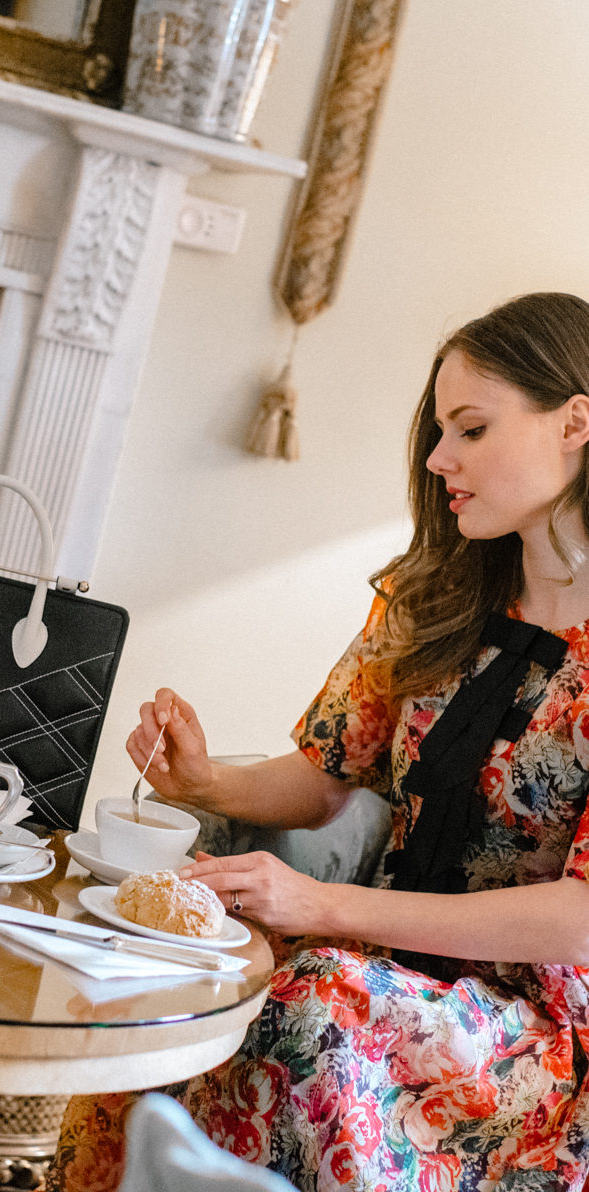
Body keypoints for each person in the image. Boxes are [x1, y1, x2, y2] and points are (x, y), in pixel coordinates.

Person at [46, 292, 589, 1192]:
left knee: (311, 1009)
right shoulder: (434, 601)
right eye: (440, 429)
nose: (437, 458)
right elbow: (326, 776)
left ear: (576, 422)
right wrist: (204, 780)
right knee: (165, 996)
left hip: (533, 1030)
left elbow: (579, 919)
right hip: (376, 963)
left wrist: (326, 909)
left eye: (472, 429)